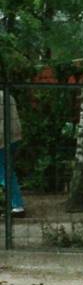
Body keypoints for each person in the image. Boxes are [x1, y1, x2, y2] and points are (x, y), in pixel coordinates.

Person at [2, 88, 24, 217]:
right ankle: (16, 204)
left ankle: (17, 205)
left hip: (2, 140)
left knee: (3, 173)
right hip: (13, 138)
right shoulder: (7, 96)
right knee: (8, 171)